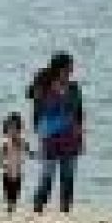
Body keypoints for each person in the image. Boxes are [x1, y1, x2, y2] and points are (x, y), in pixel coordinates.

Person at [30, 52, 85, 213]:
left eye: (71, 68)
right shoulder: (44, 88)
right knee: (47, 175)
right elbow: (37, 114)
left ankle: (65, 209)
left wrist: (80, 136)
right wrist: (40, 135)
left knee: (68, 175)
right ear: (59, 69)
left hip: (70, 137)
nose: (71, 71)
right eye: (68, 68)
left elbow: (79, 114)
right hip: (50, 138)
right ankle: (38, 208)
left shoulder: (74, 88)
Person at [0, 112, 32, 213]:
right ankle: (9, 207)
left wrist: (32, 153)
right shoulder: (5, 143)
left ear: (19, 129)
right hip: (7, 172)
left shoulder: (22, 142)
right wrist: (3, 164)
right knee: (8, 193)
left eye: (16, 129)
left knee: (16, 192)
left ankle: (13, 207)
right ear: (6, 130)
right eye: (10, 129)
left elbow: (28, 151)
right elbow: (1, 157)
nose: (13, 131)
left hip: (18, 172)